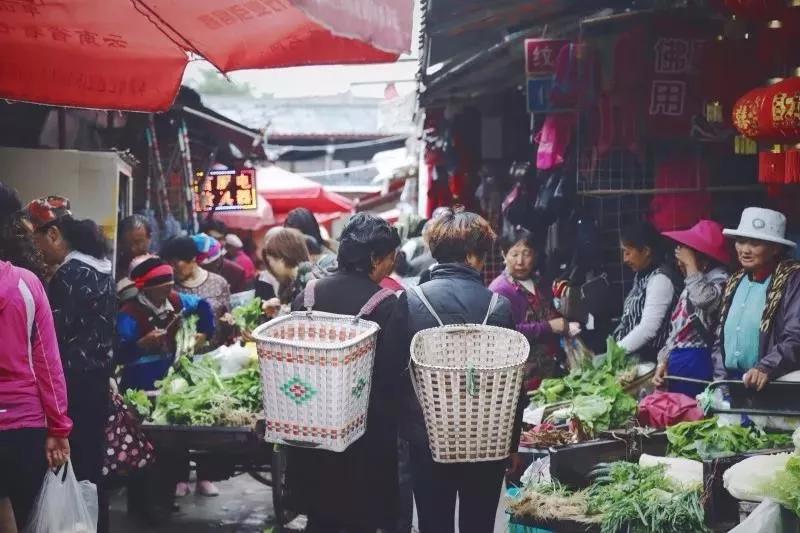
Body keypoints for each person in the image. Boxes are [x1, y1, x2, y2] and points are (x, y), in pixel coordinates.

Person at [401, 210, 524, 533]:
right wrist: (512, 443)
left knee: (433, 524)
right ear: (471, 255)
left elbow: (397, 374)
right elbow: (514, 381)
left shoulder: (410, 301)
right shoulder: (498, 306)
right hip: (486, 438)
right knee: (478, 525)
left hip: (427, 439)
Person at [286, 213, 407, 533]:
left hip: (312, 430)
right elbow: (392, 377)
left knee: (319, 520)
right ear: (374, 258)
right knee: (359, 521)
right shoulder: (386, 305)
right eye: (390, 257)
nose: (391, 265)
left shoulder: (307, 296)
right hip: (364, 439)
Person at [25, 196, 116, 533]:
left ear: (52, 235)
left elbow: (52, 339)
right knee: (91, 467)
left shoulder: (69, 275)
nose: (36, 250)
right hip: (97, 383)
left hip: (71, 386)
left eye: (35, 239)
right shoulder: (101, 269)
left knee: (70, 465)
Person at [0, 183, 71, 532]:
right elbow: (48, 364)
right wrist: (58, 427)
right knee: (28, 516)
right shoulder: (26, 284)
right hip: (24, 427)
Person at [712, 207, 800, 390]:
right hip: (733, 383)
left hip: (773, 384)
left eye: (755, 243)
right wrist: (721, 382)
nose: (745, 250)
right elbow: (721, 338)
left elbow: (795, 336)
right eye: (741, 241)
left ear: (775, 248)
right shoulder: (735, 281)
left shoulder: (792, 280)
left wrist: (766, 367)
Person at [489, 226, 579, 391]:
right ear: (504, 255)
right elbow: (503, 333)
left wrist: (565, 325)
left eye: (526, 254)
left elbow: (547, 312)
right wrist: (549, 327)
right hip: (522, 380)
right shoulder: (500, 289)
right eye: (514, 254)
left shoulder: (539, 282)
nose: (520, 261)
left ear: (535, 255)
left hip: (549, 372)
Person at [652, 220, 730, 397]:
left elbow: (704, 299)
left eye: (685, 259)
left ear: (704, 260)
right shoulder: (692, 284)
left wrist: (691, 266)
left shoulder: (720, 280)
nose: (680, 264)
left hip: (699, 363)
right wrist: (663, 361)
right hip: (680, 364)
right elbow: (677, 330)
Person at [116, 255, 215, 392]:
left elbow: (202, 305)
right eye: (162, 289)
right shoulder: (129, 314)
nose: (168, 292)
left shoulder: (175, 300)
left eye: (170, 286)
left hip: (173, 378)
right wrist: (142, 344)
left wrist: (205, 332)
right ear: (146, 288)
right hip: (139, 382)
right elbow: (119, 355)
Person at [614, 222, 682, 362]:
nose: (625, 259)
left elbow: (648, 329)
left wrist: (615, 352)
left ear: (646, 251)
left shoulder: (660, 280)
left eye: (628, 252)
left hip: (650, 360)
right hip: (632, 357)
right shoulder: (641, 275)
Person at [160, 236, 232, 348]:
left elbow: (227, 315)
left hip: (216, 352)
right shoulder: (170, 288)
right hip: (181, 354)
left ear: (192, 258)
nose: (171, 268)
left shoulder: (218, 283)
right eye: (168, 264)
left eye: (175, 263)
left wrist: (228, 321)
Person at [255, 228, 313, 318]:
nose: (270, 265)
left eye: (270, 260)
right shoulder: (294, 282)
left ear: (281, 259)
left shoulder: (305, 283)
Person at [117, 214, 152, 280]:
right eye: (127, 244)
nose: (132, 249)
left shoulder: (158, 270)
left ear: (149, 239)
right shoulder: (112, 271)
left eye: (138, 242)